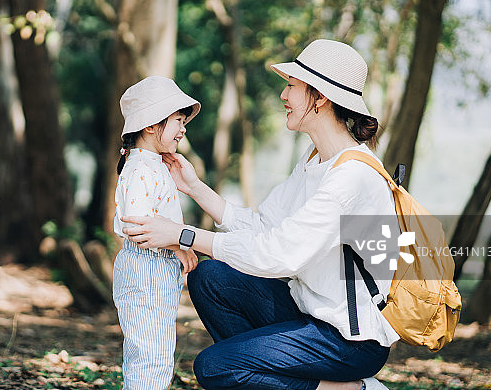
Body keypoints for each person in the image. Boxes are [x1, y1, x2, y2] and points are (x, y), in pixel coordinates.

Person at [121, 39, 399, 390]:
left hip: (350, 339)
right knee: (210, 278)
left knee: (215, 367)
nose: (284, 95)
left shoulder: (353, 177)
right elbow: (263, 227)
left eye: (292, 86)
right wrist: (194, 187)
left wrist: (183, 234)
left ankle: (353, 388)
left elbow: (278, 255)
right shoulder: (315, 159)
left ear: (320, 97)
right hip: (308, 313)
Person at [112, 76, 201, 390]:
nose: (183, 129)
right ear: (151, 125)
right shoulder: (139, 168)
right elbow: (137, 224)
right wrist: (178, 244)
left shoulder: (154, 164)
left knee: (159, 352)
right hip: (145, 267)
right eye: (178, 120)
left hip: (157, 268)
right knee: (148, 353)